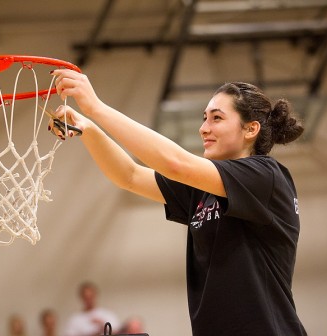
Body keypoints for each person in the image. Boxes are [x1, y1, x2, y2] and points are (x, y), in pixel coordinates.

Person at [49, 68, 307, 336]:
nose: (204, 128)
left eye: (217, 118)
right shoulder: (202, 190)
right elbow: (130, 175)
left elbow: (176, 164)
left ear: (251, 129)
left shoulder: (266, 176)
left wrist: (96, 108)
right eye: (204, 118)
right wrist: (88, 130)